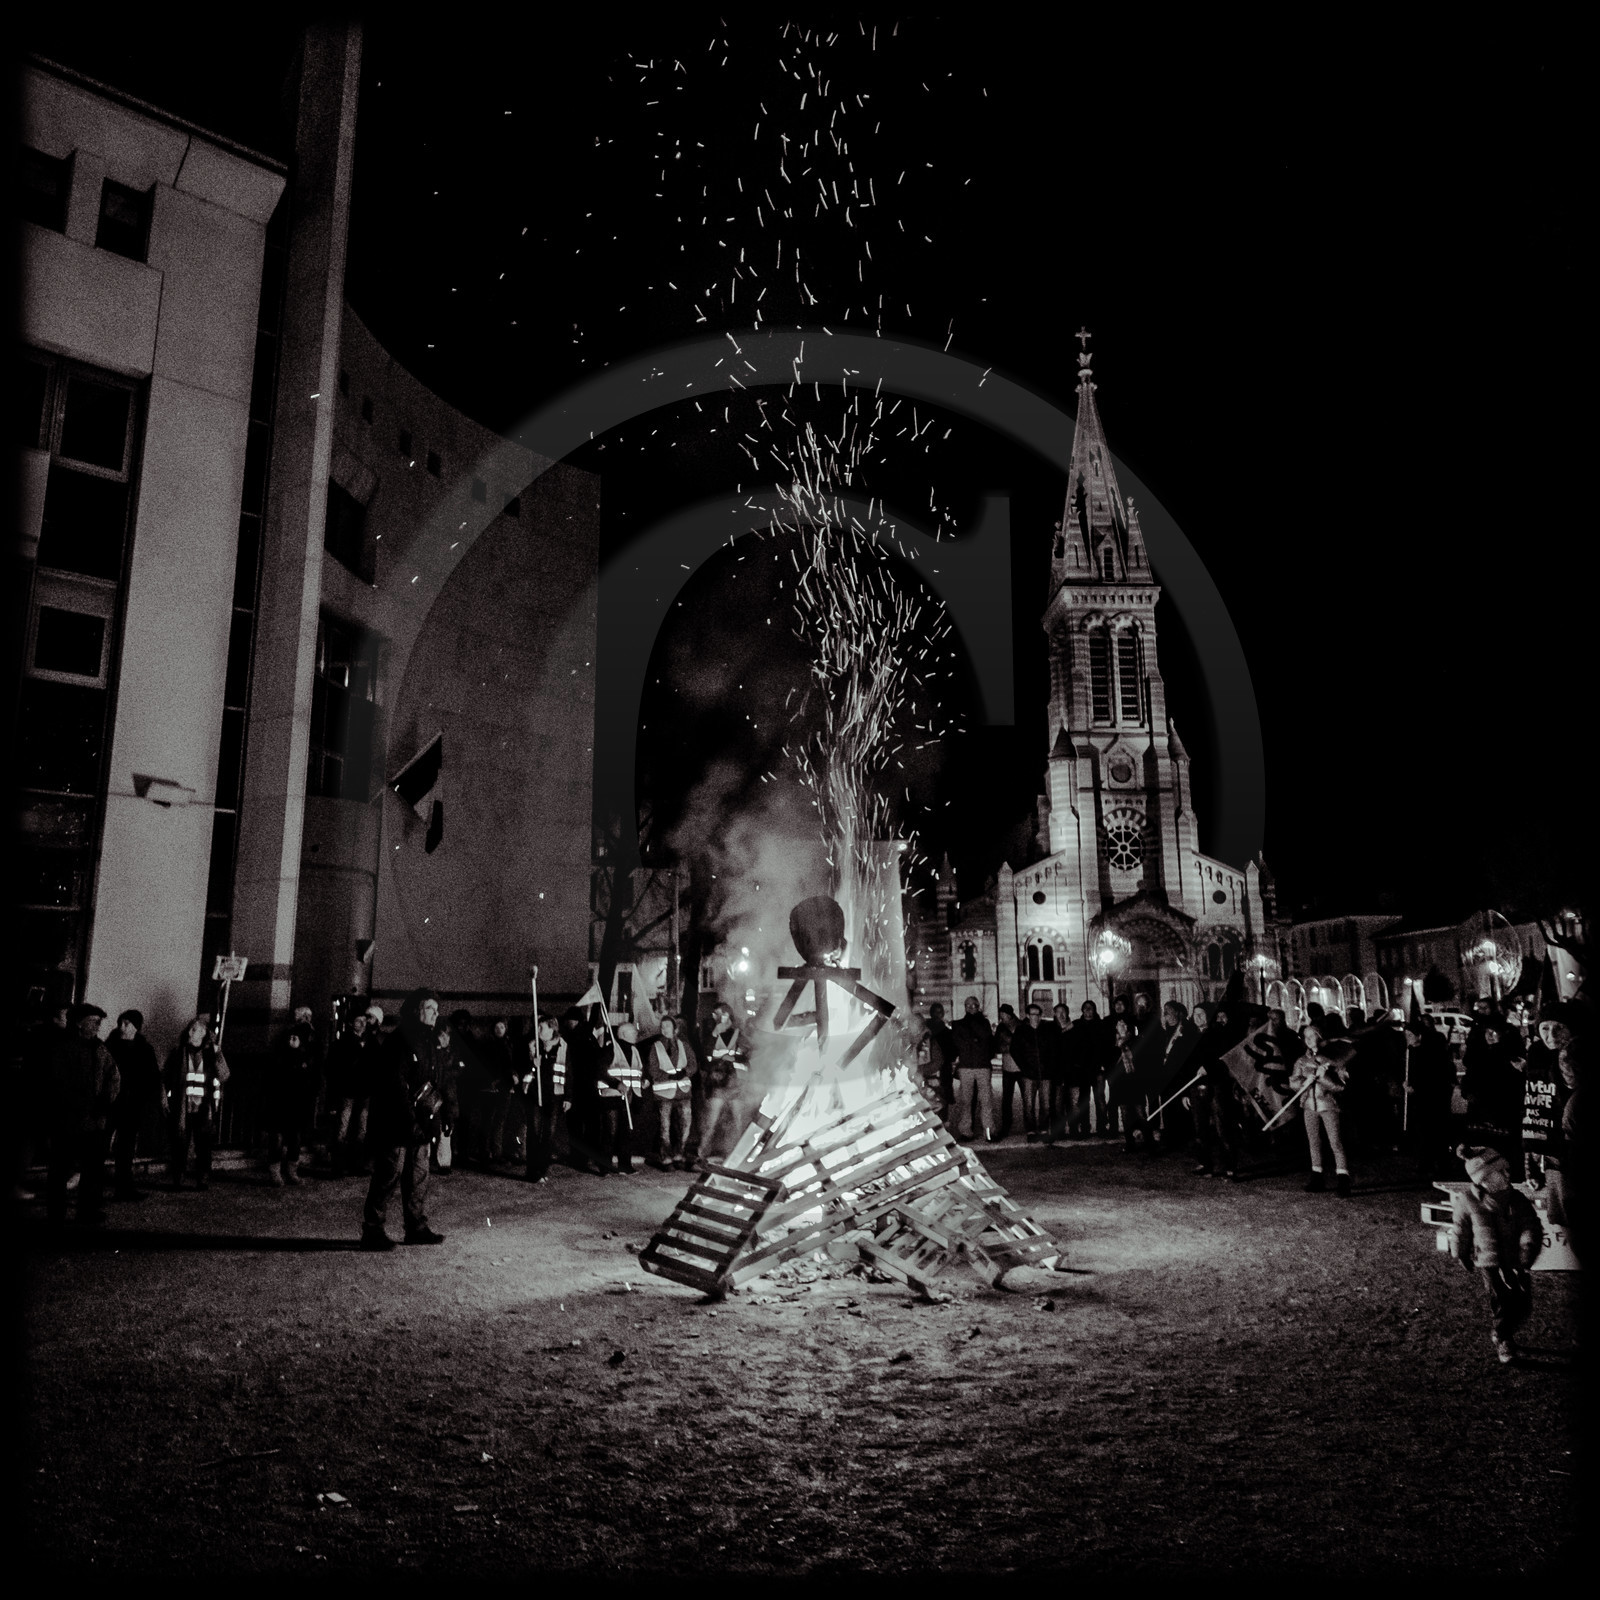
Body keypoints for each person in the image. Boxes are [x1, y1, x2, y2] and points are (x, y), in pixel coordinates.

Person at [361, 987, 446, 1249]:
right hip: (396, 1122)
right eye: (429, 1008)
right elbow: (395, 1084)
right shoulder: (399, 1040)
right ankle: (373, 1230)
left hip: (421, 1122)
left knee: (419, 1176)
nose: (435, 1013)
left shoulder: (429, 1040)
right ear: (414, 1010)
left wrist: (444, 1111)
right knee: (389, 1174)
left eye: (436, 1009)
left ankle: (416, 1227)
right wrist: (409, 1121)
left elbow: (435, 1080)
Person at [1446, 1143, 1542, 1362]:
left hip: (1515, 1260)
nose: (1507, 1174)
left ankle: (1504, 1331)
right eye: (1501, 1171)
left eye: (1506, 1169)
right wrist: (1460, 1253)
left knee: (1521, 1302)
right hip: (1488, 1260)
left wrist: (1527, 1247)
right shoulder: (1468, 1201)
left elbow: (1531, 1224)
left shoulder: (1516, 1199)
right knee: (1500, 1299)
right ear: (1484, 1179)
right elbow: (1460, 1230)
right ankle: (1503, 1338)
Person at [43, 1003, 119, 1227]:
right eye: (93, 1021)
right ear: (78, 1023)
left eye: (99, 1021)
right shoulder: (62, 1049)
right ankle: (56, 1215)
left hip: (92, 1121)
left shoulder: (100, 1049)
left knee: (91, 1170)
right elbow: (54, 1085)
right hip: (66, 1120)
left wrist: (104, 1104)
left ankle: (87, 1212)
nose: (97, 1026)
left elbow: (113, 1078)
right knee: (60, 1169)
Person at [163, 1015, 228, 1191]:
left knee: (204, 1145)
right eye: (191, 1028)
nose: (191, 1032)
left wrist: (218, 1055)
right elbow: (167, 1077)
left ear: (204, 1033)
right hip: (183, 1106)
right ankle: (179, 1177)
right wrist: (166, 1099)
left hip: (204, 1108)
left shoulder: (211, 1054)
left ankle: (202, 1177)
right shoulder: (178, 1052)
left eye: (195, 1029)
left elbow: (224, 1075)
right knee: (180, 1144)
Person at [1290, 1023, 1353, 1195]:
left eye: (1311, 1035)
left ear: (1319, 1035)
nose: (1308, 1040)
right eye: (1305, 1037)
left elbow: (1341, 1087)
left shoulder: (1333, 1060)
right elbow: (1293, 1082)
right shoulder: (1301, 1061)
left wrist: (1323, 1078)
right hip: (1309, 1106)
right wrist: (1305, 1081)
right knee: (1313, 1142)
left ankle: (1343, 1178)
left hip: (1328, 1106)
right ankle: (1317, 1176)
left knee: (1335, 1142)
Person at [104, 1009, 160, 1202]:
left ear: (136, 1027)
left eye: (127, 1023)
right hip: (111, 1103)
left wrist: (142, 1100)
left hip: (131, 1105)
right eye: (121, 1022)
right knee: (101, 1146)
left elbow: (152, 1078)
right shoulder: (110, 1046)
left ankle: (124, 1188)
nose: (122, 1027)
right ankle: (94, 1189)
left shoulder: (144, 1049)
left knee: (126, 1149)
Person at [1190, 1001, 1244, 1179]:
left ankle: (1230, 1165)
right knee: (1200, 1127)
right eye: (1195, 1014)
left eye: (1201, 1014)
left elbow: (1225, 1059)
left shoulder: (1218, 1034)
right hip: (1197, 1086)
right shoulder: (1190, 1037)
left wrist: (1209, 1068)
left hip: (1217, 1085)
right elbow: (1185, 1067)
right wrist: (1186, 1091)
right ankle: (1205, 1163)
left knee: (1222, 1126)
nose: (1197, 1018)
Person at [1461, 1019, 1525, 1163]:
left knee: (1501, 1151)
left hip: (1502, 1110)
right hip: (1479, 1110)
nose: (1489, 1036)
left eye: (1493, 1033)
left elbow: (1516, 1085)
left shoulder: (1511, 1057)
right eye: (1487, 1032)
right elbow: (1469, 1077)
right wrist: (1468, 1092)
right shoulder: (1479, 1055)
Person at [1402, 1016, 1457, 1180]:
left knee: (1436, 1129)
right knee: (1423, 1130)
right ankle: (1426, 1161)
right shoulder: (1411, 1052)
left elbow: (1434, 1075)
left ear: (1419, 1035)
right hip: (1422, 1098)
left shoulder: (1433, 1051)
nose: (1408, 1039)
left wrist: (1415, 1087)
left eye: (1410, 1035)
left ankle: (1440, 1163)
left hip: (1433, 1096)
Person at [263, 1018, 316, 1187]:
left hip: (297, 1105)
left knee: (295, 1139)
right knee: (277, 1138)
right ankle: (275, 1172)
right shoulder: (280, 1057)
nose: (292, 1040)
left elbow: (309, 1083)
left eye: (296, 1037)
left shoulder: (305, 1059)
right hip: (280, 1104)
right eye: (291, 1037)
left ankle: (292, 1171)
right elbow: (272, 1080)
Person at [329, 1005, 379, 1177]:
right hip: (348, 1089)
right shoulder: (344, 1042)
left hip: (363, 1090)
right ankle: (339, 1165)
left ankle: (356, 1163)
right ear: (352, 1023)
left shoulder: (371, 1042)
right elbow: (336, 1066)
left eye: (364, 1021)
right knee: (343, 1128)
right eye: (359, 1021)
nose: (363, 1024)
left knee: (360, 1130)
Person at [516, 1014, 567, 1182]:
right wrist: (533, 1064)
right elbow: (520, 1068)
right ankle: (532, 1171)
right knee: (534, 1132)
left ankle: (543, 1170)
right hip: (534, 1095)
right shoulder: (531, 1046)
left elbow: (569, 1072)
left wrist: (569, 1097)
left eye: (542, 1027)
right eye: (537, 1027)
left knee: (549, 1134)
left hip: (554, 1097)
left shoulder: (563, 1047)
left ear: (552, 1028)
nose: (538, 1030)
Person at [646, 1014, 697, 1169]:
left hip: (683, 1091)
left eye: (667, 1026)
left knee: (685, 1126)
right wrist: (668, 1075)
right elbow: (653, 1069)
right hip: (664, 1093)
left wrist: (685, 1072)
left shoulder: (684, 1045)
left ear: (675, 1029)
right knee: (665, 1128)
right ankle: (666, 1157)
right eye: (662, 1026)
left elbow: (693, 1064)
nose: (664, 1029)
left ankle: (679, 1154)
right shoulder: (656, 1046)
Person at [594, 1021, 644, 1175]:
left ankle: (625, 1165)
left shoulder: (635, 1050)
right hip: (612, 1096)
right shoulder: (611, 1049)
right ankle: (605, 1166)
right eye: (632, 1031)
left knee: (626, 1132)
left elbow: (639, 1070)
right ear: (623, 1034)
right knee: (610, 1131)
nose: (636, 1033)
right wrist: (616, 1084)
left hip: (629, 1096)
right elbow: (600, 1071)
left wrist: (644, 1080)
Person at [698, 1003, 746, 1160]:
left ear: (727, 1015)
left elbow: (748, 1055)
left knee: (737, 1123)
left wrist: (733, 1058)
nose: (715, 1017)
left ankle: (736, 1156)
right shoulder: (709, 1033)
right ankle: (702, 1155)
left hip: (735, 1084)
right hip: (717, 1085)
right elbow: (705, 1057)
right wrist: (713, 1034)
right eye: (714, 1014)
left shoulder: (739, 1034)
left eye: (718, 1014)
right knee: (710, 1123)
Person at [950, 996, 996, 1142]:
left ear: (978, 1006)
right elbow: (959, 1043)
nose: (971, 1008)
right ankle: (966, 1131)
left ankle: (988, 1131)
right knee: (966, 1100)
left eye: (973, 1005)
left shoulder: (983, 1023)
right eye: (968, 1005)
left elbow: (986, 1041)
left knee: (986, 1100)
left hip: (981, 1065)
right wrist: (975, 1041)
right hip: (967, 1066)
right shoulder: (958, 1024)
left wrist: (971, 1040)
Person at [1105, 1017, 1146, 1151]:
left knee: (1140, 1112)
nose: (1122, 1026)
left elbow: (1140, 1059)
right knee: (1125, 1113)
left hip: (1135, 1081)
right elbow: (1110, 1063)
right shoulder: (1112, 1044)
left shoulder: (1136, 1040)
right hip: (1120, 1083)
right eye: (1119, 1024)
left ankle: (1147, 1141)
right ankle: (1130, 1143)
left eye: (1124, 1024)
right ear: (1116, 1027)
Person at [1011, 1003, 1048, 1142]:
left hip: (1045, 1074)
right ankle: (1031, 1131)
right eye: (1033, 1014)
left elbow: (1053, 1049)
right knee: (1029, 1104)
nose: (1036, 1017)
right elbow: (1014, 1050)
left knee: (1046, 1104)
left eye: (1038, 1014)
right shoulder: (1021, 1031)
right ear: (1027, 1016)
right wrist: (1024, 1067)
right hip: (1028, 1074)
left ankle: (1044, 1129)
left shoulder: (1046, 1029)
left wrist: (1049, 1066)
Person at [923, 1002, 957, 1122]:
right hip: (929, 1068)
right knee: (931, 1094)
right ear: (931, 1013)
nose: (938, 1015)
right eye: (936, 1012)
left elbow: (953, 1051)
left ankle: (943, 1121)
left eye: (940, 1012)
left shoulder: (946, 1032)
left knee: (943, 1095)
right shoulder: (925, 1032)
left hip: (943, 1069)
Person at [1040, 1003, 1069, 1143]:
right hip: (1048, 1071)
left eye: (1063, 1012)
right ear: (1054, 1013)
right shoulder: (1048, 1027)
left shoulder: (1070, 1028)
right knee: (1046, 1104)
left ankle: (1059, 1130)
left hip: (1061, 1072)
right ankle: (1046, 1131)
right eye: (1058, 1012)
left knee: (1058, 1104)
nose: (1061, 1015)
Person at [996, 1003, 1023, 1137]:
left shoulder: (1021, 1025)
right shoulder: (1002, 1027)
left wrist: (1008, 1045)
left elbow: (1024, 1045)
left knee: (1026, 1097)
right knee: (1006, 1099)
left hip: (1021, 1067)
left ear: (1009, 1015)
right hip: (1008, 1067)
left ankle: (1029, 1125)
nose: (1001, 1018)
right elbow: (997, 1045)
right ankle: (1006, 1125)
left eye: (1003, 1015)